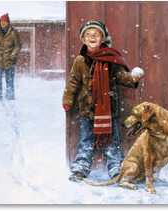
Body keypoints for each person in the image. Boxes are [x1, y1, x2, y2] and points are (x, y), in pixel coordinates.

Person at [62, 20, 144, 182]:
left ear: (103, 38)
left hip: (107, 110)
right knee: (85, 140)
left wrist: (132, 78)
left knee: (111, 141)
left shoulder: (110, 58)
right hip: (87, 108)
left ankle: (116, 168)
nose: (92, 37)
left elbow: (121, 76)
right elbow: (73, 82)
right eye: (88, 34)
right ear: (83, 40)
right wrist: (68, 100)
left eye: (96, 34)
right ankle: (80, 168)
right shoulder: (80, 60)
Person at [0, 13, 22, 100]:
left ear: (8, 23)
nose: (3, 23)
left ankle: (10, 96)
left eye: (4, 22)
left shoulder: (13, 33)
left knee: (10, 80)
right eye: (1, 21)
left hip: (9, 61)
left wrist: (12, 55)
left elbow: (18, 46)